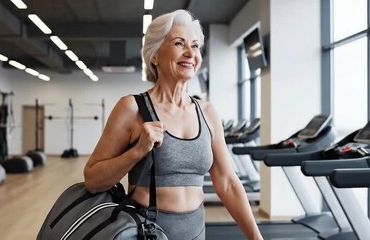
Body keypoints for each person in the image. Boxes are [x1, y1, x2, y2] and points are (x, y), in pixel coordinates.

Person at [84, 9, 263, 240]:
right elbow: (93, 180)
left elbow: (227, 183)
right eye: (179, 43)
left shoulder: (207, 112)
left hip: (196, 232)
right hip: (147, 232)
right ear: (155, 55)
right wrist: (137, 152)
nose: (190, 52)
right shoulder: (132, 108)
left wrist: (256, 238)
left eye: (196, 46)